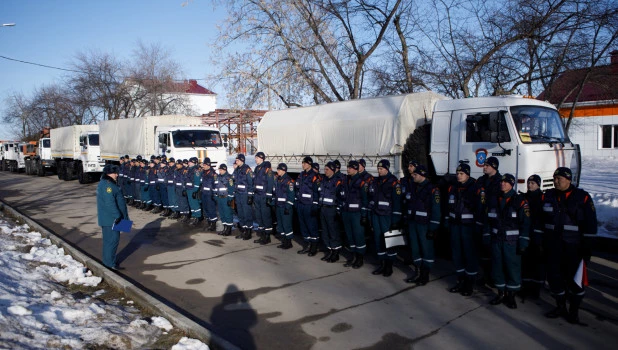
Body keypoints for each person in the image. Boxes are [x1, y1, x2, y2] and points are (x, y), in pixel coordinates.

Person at [542, 167, 597, 324]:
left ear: (569, 180)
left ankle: (574, 311)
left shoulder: (582, 197)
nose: (556, 181)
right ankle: (560, 306)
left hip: (574, 247)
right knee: (554, 278)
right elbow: (541, 219)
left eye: (560, 178)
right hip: (553, 246)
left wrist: (587, 248)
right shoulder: (548, 196)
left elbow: (591, 225)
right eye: (555, 178)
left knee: (574, 281)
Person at [486, 173, 530, 309]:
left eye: (506, 182)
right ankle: (500, 293)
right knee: (497, 267)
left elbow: (526, 224)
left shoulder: (520, 201)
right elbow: (488, 220)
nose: (502, 184)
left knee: (512, 268)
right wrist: (487, 236)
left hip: (512, 243)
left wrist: (523, 242)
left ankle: (511, 295)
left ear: (512, 184)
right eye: (501, 182)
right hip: (497, 241)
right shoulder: (494, 200)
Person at [445, 163, 478, 296]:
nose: (458, 176)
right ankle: (460, 281)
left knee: (469, 255)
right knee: (457, 254)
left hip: (468, 227)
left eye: (461, 174)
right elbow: (448, 206)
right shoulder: (453, 188)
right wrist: (448, 222)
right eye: (458, 174)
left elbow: (479, 209)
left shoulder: (475, 188)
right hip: (455, 226)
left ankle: (469, 284)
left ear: (467, 175)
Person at [405, 165, 441, 286]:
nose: (412, 176)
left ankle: (424, 275)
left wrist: (433, 228)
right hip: (413, 223)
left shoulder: (432, 190)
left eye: (415, 174)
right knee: (415, 249)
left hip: (424, 225)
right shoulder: (413, 187)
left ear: (422, 175)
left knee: (426, 250)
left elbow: (436, 210)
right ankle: (417, 272)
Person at [368, 159, 402, 277]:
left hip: (387, 216)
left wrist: (395, 221)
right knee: (378, 240)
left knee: (390, 241)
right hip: (376, 215)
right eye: (378, 168)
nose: (379, 171)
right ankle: (382, 264)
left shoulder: (394, 183)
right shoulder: (376, 181)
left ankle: (389, 266)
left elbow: (397, 203)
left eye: (381, 169)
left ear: (387, 169)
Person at [96, 164, 129, 270]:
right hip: (112, 219)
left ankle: (108, 261)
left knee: (109, 240)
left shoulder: (107, 183)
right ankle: (110, 264)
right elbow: (109, 202)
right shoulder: (108, 185)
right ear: (109, 173)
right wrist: (117, 215)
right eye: (115, 173)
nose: (117, 175)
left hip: (111, 218)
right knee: (112, 240)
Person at [477, 156, 502, 287]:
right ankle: (485, 276)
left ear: (494, 167)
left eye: (487, 165)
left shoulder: (500, 181)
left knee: (494, 252)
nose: (484, 167)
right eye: (484, 165)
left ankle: (494, 278)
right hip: (481, 218)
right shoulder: (481, 180)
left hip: (494, 221)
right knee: (483, 251)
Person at [521, 174, 545, 299]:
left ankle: (536, 289)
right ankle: (525, 286)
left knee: (537, 263)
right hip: (526, 234)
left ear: (538, 185)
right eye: (529, 183)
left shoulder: (543, 198)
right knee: (526, 262)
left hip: (538, 236)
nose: (530, 185)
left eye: (533, 183)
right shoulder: (524, 197)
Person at [341, 160, 368, 268]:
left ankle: (360, 258)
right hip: (346, 213)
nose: (348, 169)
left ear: (356, 169)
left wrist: (364, 215)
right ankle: (353, 257)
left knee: (358, 236)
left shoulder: (362, 182)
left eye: (350, 168)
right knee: (350, 236)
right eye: (347, 167)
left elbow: (365, 199)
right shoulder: (345, 180)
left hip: (357, 214)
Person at [295, 156, 321, 256]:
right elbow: (297, 189)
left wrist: (315, 204)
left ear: (309, 164)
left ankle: (314, 247)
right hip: (301, 204)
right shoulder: (301, 175)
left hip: (309, 205)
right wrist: (297, 201)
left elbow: (317, 192)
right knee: (303, 226)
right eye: (302, 163)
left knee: (311, 226)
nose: (303, 165)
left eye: (304, 163)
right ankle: (307, 245)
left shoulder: (315, 176)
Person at [319, 161, 344, 262]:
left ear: (333, 170)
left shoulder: (337, 181)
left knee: (333, 231)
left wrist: (338, 210)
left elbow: (341, 197)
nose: (325, 171)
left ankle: (335, 252)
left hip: (332, 210)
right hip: (323, 209)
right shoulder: (324, 180)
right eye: (325, 169)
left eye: (327, 169)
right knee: (325, 231)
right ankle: (329, 250)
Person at [253, 152, 275, 244]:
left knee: (266, 216)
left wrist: (269, 196)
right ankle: (262, 235)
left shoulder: (267, 169)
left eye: (257, 158)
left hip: (264, 196)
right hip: (257, 196)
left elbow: (270, 183)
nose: (255, 159)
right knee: (259, 216)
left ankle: (267, 236)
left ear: (261, 158)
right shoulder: (257, 168)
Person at [233, 154, 255, 240]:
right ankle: (243, 231)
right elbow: (233, 179)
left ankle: (248, 232)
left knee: (247, 213)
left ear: (242, 160)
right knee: (241, 214)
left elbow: (251, 183)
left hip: (245, 194)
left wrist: (250, 195)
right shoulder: (237, 169)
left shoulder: (247, 170)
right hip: (238, 194)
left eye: (237, 160)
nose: (236, 162)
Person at [275, 163, 295, 249]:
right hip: (279, 206)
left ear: (283, 170)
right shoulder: (278, 180)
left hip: (285, 207)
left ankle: (289, 242)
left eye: (279, 170)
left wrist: (288, 206)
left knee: (287, 225)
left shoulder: (289, 181)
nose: (277, 171)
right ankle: (284, 241)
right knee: (281, 224)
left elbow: (291, 195)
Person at [215, 163, 235, 236]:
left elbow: (231, 188)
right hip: (219, 198)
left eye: (221, 170)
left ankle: (229, 229)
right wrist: (215, 196)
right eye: (219, 170)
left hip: (226, 198)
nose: (220, 171)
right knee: (222, 214)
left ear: (224, 169)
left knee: (227, 214)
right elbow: (216, 187)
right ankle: (225, 228)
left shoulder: (229, 178)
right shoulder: (217, 177)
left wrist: (230, 198)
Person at [199, 157, 218, 232]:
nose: (203, 166)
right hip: (204, 193)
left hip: (210, 194)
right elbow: (201, 183)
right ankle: (209, 222)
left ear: (208, 165)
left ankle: (213, 224)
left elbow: (216, 185)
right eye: (203, 165)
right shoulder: (203, 173)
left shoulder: (213, 174)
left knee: (211, 209)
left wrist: (214, 194)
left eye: (205, 165)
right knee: (206, 209)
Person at [186, 157, 203, 225]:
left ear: (194, 163)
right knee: (191, 204)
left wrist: (195, 191)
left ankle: (198, 217)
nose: (189, 163)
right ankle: (194, 216)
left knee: (195, 204)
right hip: (188, 189)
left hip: (193, 189)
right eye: (189, 162)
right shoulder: (188, 169)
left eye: (190, 162)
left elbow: (197, 182)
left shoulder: (196, 171)